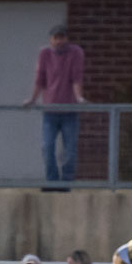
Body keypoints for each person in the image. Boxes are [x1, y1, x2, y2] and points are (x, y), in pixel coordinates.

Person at [23, 24, 85, 184]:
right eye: (55, 38)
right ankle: (52, 181)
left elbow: (76, 77)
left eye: (61, 37)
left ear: (66, 38)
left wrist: (79, 97)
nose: (59, 41)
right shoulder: (44, 54)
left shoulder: (75, 52)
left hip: (69, 111)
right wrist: (32, 99)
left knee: (69, 149)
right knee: (47, 146)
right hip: (50, 111)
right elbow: (40, 79)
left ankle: (66, 181)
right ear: (51, 39)